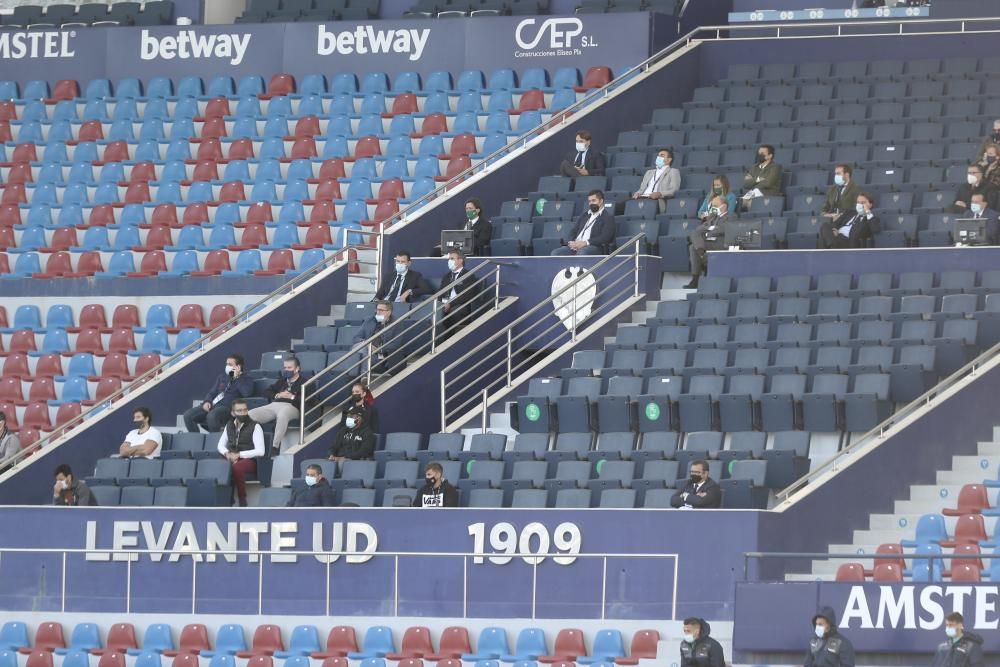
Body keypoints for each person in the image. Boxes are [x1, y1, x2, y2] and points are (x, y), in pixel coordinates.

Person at [249, 356, 306, 455]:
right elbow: (266, 391)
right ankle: (247, 443)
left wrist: (291, 397)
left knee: (283, 415)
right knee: (249, 414)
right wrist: (277, 395)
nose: (286, 370)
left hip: (292, 407)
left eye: (289, 368)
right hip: (275, 404)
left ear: (297, 369)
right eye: (285, 367)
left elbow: (308, 400)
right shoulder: (282, 381)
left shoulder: (305, 382)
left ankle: (275, 446)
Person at [183, 353, 254, 433]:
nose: (227, 366)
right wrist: (207, 402)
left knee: (212, 416)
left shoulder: (246, 379)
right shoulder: (222, 377)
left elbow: (247, 393)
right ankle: (196, 440)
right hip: (213, 405)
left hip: (227, 408)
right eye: (227, 364)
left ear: (238, 366)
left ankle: (216, 440)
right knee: (188, 415)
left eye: (230, 364)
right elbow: (212, 392)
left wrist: (237, 377)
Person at [216, 398, 265, 507]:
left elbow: (261, 451)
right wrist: (227, 454)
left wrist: (239, 455)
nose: (243, 413)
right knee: (219, 465)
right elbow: (220, 445)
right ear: (233, 413)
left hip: (250, 460)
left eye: (245, 410)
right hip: (232, 456)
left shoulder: (255, 426)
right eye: (239, 411)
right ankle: (224, 497)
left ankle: (242, 499)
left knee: (236, 467)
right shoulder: (229, 425)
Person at [685, 196, 731, 289]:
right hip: (707, 244)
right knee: (693, 241)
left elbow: (723, 229)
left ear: (724, 206)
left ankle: (696, 275)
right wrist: (711, 229)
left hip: (720, 244)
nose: (713, 208)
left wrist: (707, 231)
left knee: (694, 246)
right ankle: (695, 278)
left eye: (715, 205)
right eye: (712, 206)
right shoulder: (712, 218)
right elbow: (698, 229)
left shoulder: (731, 216)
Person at [551, 190, 615, 256]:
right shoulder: (584, 215)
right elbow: (573, 231)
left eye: (593, 200)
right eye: (589, 201)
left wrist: (586, 243)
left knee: (582, 252)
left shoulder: (608, 217)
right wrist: (571, 243)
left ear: (601, 201)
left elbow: (605, 237)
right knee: (556, 253)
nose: (591, 203)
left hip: (593, 246)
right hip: (576, 245)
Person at [438, 249, 480, 339]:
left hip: (460, 305)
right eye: (449, 259)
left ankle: (447, 340)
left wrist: (450, 303)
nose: (449, 261)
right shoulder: (447, 276)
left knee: (453, 313)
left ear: (460, 260)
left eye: (452, 259)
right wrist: (439, 303)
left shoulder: (468, 275)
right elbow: (440, 293)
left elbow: (467, 295)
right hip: (445, 304)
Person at [352, 301, 401, 375]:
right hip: (367, 352)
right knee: (360, 347)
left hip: (382, 357)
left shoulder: (397, 324)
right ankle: (364, 375)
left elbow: (396, 344)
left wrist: (379, 349)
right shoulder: (369, 320)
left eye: (381, 310)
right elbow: (356, 338)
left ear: (389, 312)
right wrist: (367, 344)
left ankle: (362, 376)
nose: (378, 312)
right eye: (377, 309)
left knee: (359, 352)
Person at [631, 148, 681, 213]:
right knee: (621, 206)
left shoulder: (673, 171)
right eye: (658, 155)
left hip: (656, 199)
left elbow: (674, 189)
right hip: (642, 197)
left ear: (669, 160)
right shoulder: (649, 172)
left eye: (662, 155)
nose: (658, 157)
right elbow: (641, 189)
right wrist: (637, 193)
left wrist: (660, 193)